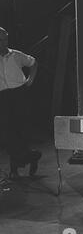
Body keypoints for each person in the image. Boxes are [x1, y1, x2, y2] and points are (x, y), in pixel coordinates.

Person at [0, 27, 41, 178]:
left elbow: (33, 62)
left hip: (20, 94)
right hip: (3, 97)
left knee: (20, 130)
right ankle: (32, 156)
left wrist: (30, 80)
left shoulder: (16, 55)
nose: (2, 42)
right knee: (7, 134)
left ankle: (14, 169)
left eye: (4, 39)